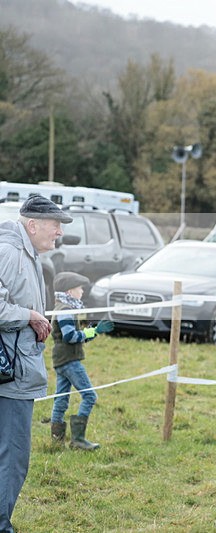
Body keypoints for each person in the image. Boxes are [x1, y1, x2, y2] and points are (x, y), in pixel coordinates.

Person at [0, 194, 72, 532]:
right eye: (55, 225)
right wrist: (29, 315)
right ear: (32, 225)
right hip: (10, 374)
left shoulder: (25, 253)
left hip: (14, 368)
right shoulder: (10, 252)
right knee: (13, 456)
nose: (59, 232)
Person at [49, 271, 113, 451]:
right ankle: (77, 440)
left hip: (61, 359)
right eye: (79, 288)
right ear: (70, 291)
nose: (82, 292)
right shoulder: (65, 310)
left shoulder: (63, 307)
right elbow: (70, 336)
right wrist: (90, 332)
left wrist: (94, 332)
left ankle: (56, 441)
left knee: (61, 399)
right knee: (90, 396)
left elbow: (74, 336)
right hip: (69, 361)